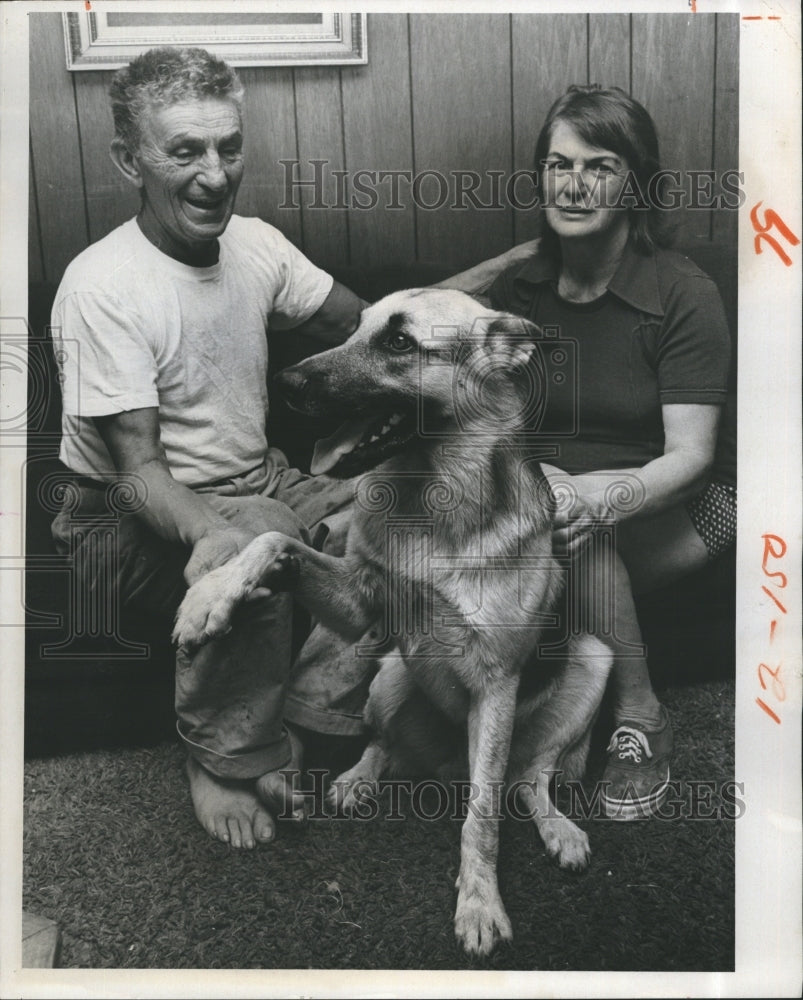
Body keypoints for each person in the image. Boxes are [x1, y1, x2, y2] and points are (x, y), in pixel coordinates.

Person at [454, 85, 736, 819]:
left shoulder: (682, 292)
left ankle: (641, 714)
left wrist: (593, 497)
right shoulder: (524, 285)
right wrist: (506, 261)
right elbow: (409, 318)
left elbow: (690, 458)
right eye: (556, 164)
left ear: (634, 183)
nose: (571, 184)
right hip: (554, 495)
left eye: (598, 166)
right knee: (546, 504)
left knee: (566, 518)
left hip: (681, 501)